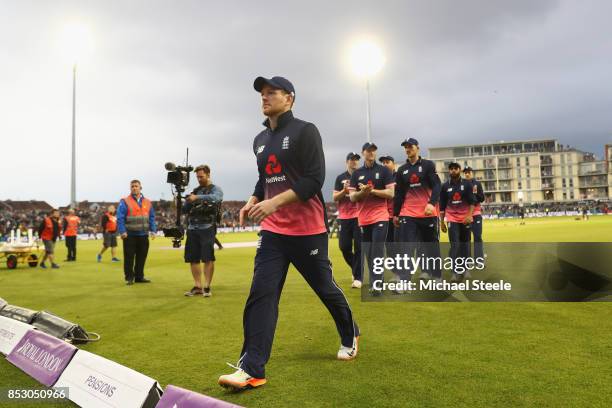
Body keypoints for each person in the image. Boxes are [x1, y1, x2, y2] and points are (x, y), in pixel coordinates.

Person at [218, 76, 359, 391]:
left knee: (325, 288)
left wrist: (273, 203)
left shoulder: (305, 131)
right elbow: (263, 180)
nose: (264, 98)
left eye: (272, 93)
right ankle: (252, 368)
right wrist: (254, 201)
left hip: (308, 231)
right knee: (261, 294)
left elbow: (313, 181)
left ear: (290, 98)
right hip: (273, 234)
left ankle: (350, 333)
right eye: (262, 94)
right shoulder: (258, 140)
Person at [393, 138, 442, 281]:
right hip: (408, 214)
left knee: (431, 248)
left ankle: (437, 276)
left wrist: (432, 203)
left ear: (417, 148)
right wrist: (396, 214)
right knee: (406, 249)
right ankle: (404, 281)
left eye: (410, 146)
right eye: (406, 147)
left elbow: (437, 186)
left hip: (427, 213)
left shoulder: (428, 165)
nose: (408, 149)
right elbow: (399, 194)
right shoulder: (402, 170)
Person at [349, 142, 395, 294]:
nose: (371, 153)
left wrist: (372, 191)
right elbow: (352, 198)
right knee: (368, 252)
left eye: (373, 150)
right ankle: (375, 281)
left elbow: (390, 194)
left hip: (380, 216)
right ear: (363, 153)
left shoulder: (384, 171)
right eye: (368, 151)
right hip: (363, 219)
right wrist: (363, 193)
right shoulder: (356, 174)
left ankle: (377, 284)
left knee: (377, 249)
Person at [182, 164, 223, 297]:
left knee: (207, 257)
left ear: (208, 174)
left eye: (201, 176)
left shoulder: (216, 189)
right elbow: (185, 210)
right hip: (193, 227)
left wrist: (197, 198)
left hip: (207, 226)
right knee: (193, 258)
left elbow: (216, 198)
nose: (199, 179)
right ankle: (197, 286)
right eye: (198, 177)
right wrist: (182, 202)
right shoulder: (195, 190)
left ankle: (207, 287)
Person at [440, 162, 476, 281]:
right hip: (452, 219)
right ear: (449, 171)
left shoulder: (467, 184)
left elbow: (472, 202)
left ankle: (465, 269)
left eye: (455, 168)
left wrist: (469, 215)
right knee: (455, 245)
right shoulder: (445, 186)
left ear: (459, 170)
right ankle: (455, 272)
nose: (453, 170)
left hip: (465, 219)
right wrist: (441, 222)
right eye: (451, 169)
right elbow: (442, 206)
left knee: (465, 245)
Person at [117, 180, 157, 285]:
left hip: (143, 235)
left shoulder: (148, 202)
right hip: (129, 235)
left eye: (136, 186)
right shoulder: (125, 201)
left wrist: (153, 230)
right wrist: (122, 231)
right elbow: (120, 217)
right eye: (132, 186)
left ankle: (139, 277)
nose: (134, 188)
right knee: (129, 257)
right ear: (130, 188)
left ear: (140, 188)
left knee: (141, 257)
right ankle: (129, 277)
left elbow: (152, 217)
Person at [332, 152, 362, 288]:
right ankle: (357, 270)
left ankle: (358, 277)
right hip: (344, 217)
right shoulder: (340, 178)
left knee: (359, 247)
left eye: (356, 160)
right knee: (344, 247)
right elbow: (335, 197)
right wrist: (344, 191)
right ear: (347, 162)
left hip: (360, 216)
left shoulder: (363, 175)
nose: (354, 162)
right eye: (352, 159)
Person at [463, 166, 485, 261]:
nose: (467, 174)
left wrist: (474, 196)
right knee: (466, 239)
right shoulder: (461, 184)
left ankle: (479, 260)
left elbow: (482, 198)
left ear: (472, 173)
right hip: (465, 215)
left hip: (476, 214)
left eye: (468, 172)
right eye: (465, 172)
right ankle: (467, 261)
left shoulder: (477, 184)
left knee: (477, 237)